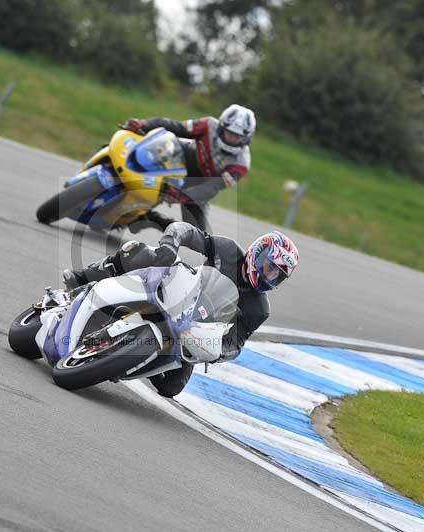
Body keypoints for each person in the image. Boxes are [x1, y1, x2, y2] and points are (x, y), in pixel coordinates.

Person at [63, 222, 299, 397]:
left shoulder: (259, 308)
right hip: (180, 289)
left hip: (192, 331)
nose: (269, 276)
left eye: (277, 275)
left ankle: (135, 357)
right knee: (140, 252)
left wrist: (217, 351)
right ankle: (85, 277)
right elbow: (188, 232)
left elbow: (236, 343)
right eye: (269, 267)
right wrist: (171, 242)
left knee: (171, 387)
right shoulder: (228, 250)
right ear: (257, 253)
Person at [123, 104, 256, 233]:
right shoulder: (208, 125)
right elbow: (176, 126)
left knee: (197, 236)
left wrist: (181, 195)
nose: (232, 138)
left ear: (246, 138)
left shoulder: (241, 164)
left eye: (237, 136)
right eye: (229, 133)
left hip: (201, 184)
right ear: (222, 127)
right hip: (184, 158)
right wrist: (144, 124)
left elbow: (212, 187)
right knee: (153, 148)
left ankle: (154, 220)